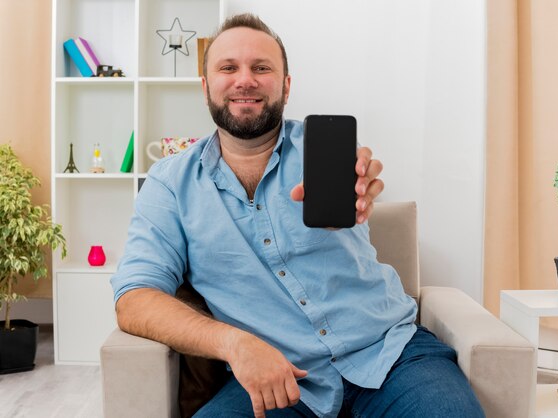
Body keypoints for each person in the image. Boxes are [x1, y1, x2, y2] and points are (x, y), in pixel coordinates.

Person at [111, 13, 485, 418]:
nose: (245, 80)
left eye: (261, 68)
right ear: (205, 88)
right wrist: (235, 345)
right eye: (228, 67)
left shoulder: (328, 152)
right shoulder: (170, 184)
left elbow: (359, 189)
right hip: (277, 380)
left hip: (391, 356)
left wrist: (361, 190)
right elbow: (134, 298)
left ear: (286, 86)